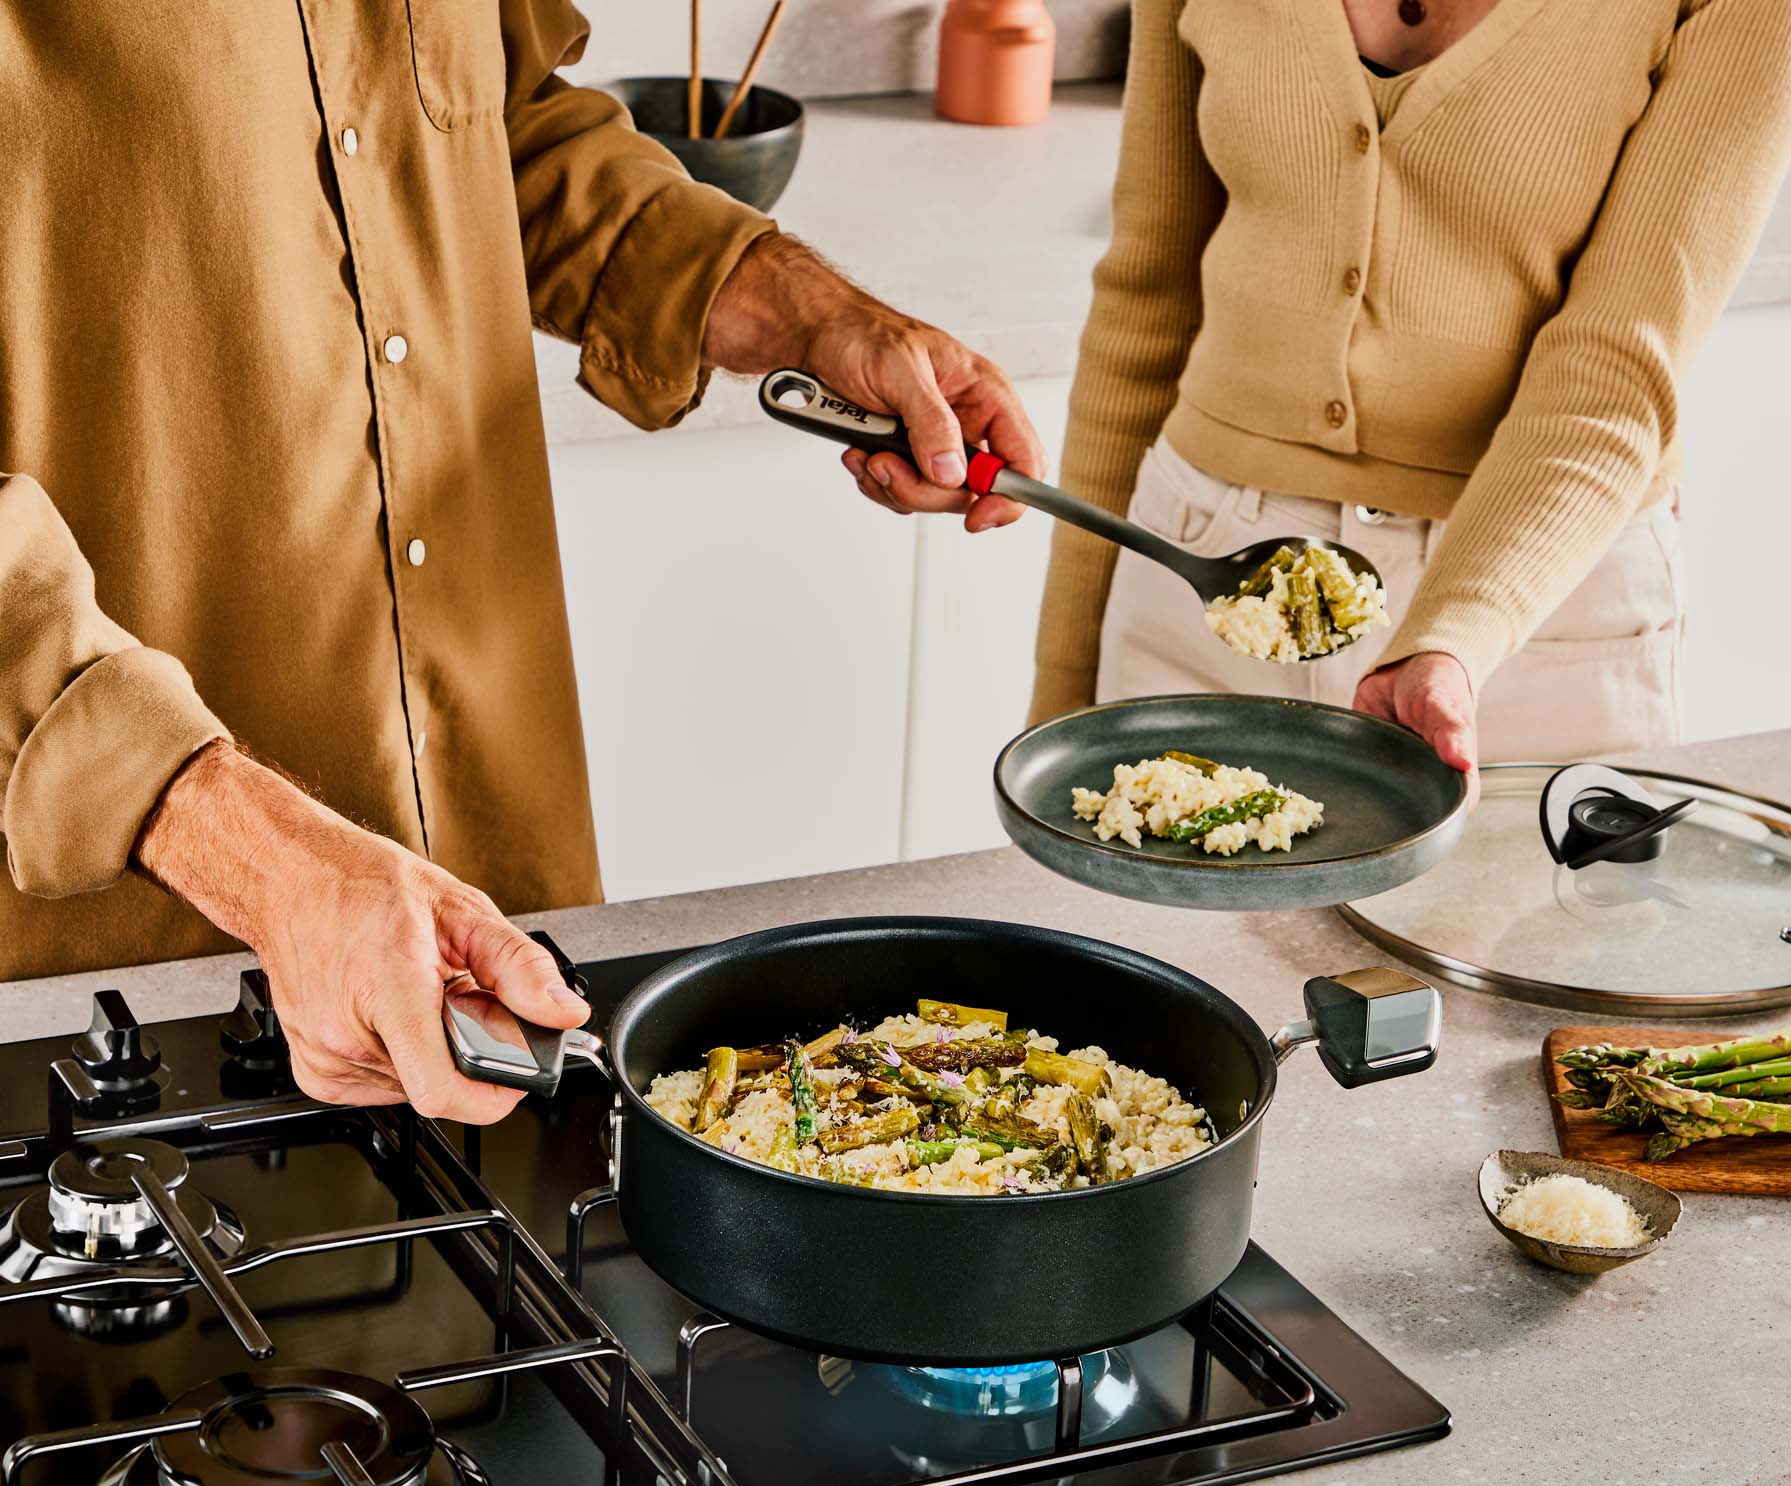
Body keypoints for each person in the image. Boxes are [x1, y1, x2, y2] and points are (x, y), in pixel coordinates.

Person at [0, 4, 1041, 1122]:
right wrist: (259, 858)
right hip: (117, 978)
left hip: (498, 898)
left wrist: (806, 311)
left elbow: (493, 125)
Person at [1029, 0, 1791, 775]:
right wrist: (1060, 701)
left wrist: (1453, 639)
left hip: (1534, 625)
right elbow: (1146, 303)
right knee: (1135, 923)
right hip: (1199, 582)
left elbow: (1616, 371)